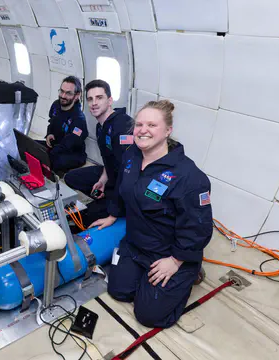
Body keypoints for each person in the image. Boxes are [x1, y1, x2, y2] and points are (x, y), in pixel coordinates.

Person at [90, 100, 212, 328]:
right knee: (119, 291)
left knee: (148, 316)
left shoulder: (189, 177)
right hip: (136, 244)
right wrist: (113, 215)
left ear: (168, 131)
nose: (142, 130)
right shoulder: (131, 157)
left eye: (152, 125)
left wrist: (176, 261)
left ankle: (189, 273)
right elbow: (121, 189)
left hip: (168, 252)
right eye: (139, 124)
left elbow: (199, 228)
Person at [64, 80, 133, 225]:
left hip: (128, 181)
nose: (94, 103)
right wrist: (102, 180)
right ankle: (105, 197)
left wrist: (113, 214)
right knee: (70, 178)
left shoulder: (121, 127)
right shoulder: (100, 127)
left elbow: (128, 173)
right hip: (112, 174)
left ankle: (114, 205)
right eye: (90, 99)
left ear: (110, 101)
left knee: (83, 220)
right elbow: (108, 160)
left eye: (99, 97)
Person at [40, 76, 88, 173]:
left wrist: (46, 154)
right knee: (30, 146)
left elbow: (69, 144)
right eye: (61, 91)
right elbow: (51, 122)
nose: (63, 96)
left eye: (68, 93)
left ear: (77, 95)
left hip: (71, 153)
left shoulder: (78, 119)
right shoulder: (56, 105)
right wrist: (49, 134)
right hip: (55, 145)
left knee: (51, 160)